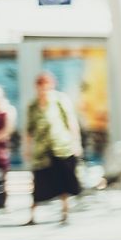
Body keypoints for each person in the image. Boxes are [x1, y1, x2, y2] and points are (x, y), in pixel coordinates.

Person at [23, 72, 82, 225]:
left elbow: (71, 122)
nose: (44, 91)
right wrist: (27, 148)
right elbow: (29, 130)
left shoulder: (60, 100)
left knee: (63, 180)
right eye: (41, 87)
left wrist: (76, 142)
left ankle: (65, 211)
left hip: (61, 146)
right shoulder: (33, 106)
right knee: (39, 182)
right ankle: (33, 214)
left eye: (46, 87)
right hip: (42, 150)